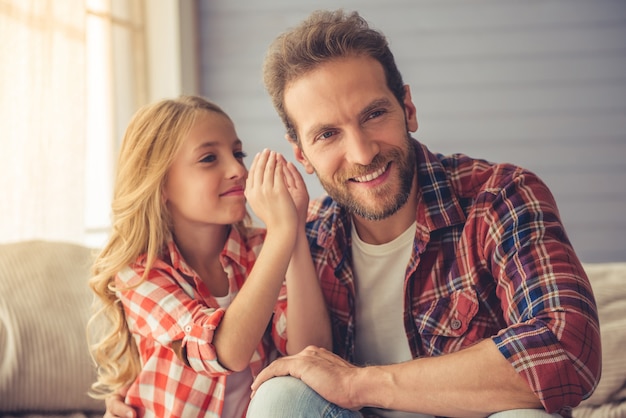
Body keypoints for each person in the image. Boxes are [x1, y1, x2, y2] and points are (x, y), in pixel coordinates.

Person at [105, 9, 602, 418]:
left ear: (407, 107)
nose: (362, 153)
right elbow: (279, 357)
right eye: (327, 134)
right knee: (280, 400)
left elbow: (567, 350)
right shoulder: (312, 236)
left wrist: (361, 383)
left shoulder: (499, 198)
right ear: (301, 153)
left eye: (374, 114)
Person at [87, 95, 331, 418]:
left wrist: (293, 231)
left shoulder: (261, 249)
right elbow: (224, 351)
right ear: (160, 185)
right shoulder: (140, 272)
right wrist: (281, 233)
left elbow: (310, 359)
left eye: (237, 153)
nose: (237, 169)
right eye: (208, 159)